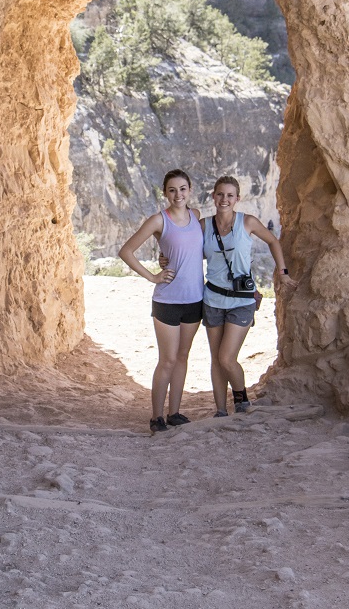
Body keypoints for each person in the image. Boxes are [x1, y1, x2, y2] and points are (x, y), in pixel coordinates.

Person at [202, 176, 298, 416]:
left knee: (226, 357)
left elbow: (273, 241)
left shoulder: (247, 222)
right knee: (216, 359)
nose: (224, 199)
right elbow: (183, 244)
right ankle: (220, 410)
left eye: (230, 195)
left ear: (237, 198)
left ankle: (241, 399)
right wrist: (164, 257)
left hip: (241, 300)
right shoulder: (204, 226)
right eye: (220, 194)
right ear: (213, 196)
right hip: (212, 299)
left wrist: (283, 273)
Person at [118, 169, 204, 433]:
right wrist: (153, 276)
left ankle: (174, 413)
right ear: (165, 193)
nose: (178, 195)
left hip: (195, 299)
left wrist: (165, 256)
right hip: (167, 300)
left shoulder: (196, 216)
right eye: (172, 190)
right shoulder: (158, 220)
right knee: (167, 360)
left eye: (182, 189)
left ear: (190, 190)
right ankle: (157, 417)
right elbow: (126, 251)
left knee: (182, 357)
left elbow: (191, 250)